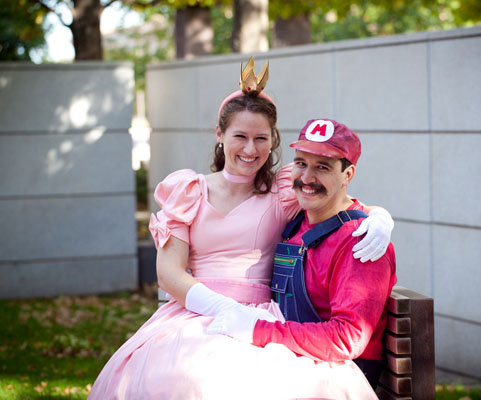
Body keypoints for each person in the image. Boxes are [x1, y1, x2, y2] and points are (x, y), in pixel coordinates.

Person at [88, 58, 393, 399]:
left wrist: (380, 217)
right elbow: (169, 273)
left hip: (262, 316)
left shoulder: (282, 190)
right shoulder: (188, 191)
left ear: (273, 140)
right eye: (240, 136)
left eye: (261, 138)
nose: (250, 149)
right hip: (195, 312)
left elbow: (336, 196)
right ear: (220, 134)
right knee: (181, 379)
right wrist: (223, 310)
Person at [208, 118, 397, 389]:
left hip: (336, 374)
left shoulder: (362, 241)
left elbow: (347, 338)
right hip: (289, 357)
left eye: (322, 167)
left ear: (348, 175)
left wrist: (257, 330)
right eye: (301, 164)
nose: (307, 179)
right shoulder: (297, 219)